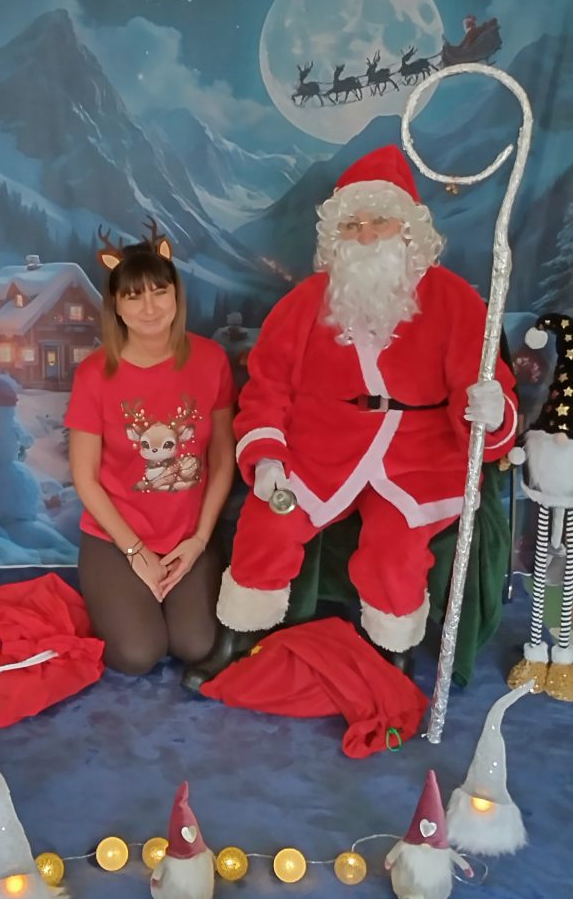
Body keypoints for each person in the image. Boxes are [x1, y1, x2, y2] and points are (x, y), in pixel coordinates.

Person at [188, 145, 517, 682]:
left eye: (378, 222)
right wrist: (268, 455)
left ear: (408, 229)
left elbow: (485, 394)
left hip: (421, 453)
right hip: (321, 444)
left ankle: (392, 652)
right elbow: (268, 387)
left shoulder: (455, 300)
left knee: (394, 548)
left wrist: (491, 410)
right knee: (269, 523)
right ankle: (239, 633)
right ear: (335, 236)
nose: (365, 236)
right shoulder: (306, 302)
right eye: (352, 225)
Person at [65, 221, 236, 676]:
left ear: (176, 295)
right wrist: (136, 551)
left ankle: (165, 596)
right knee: (137, 654)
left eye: (160, 292)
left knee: (197, 645)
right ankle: (119, 595)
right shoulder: (95, 374)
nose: (149, 307)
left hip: (187, 534)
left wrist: (199, 540)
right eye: (133, 296)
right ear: (116, 306)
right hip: (116, 535)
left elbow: (222, 458)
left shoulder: (211, 360)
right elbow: (84, 476)